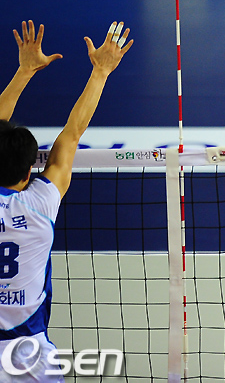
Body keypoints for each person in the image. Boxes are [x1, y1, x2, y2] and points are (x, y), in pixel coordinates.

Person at [0, 20, 132, 381]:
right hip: (29, 358)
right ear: (29, 173)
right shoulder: (40, 203)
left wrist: (24, 71)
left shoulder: (40, 201)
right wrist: (101, 72)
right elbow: (73, 134)